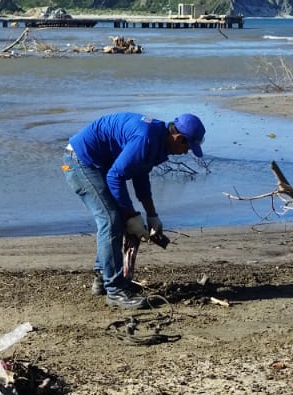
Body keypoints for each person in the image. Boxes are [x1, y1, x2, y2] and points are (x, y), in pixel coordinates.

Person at [62, 112, 207, 310]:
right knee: (111, 219)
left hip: (98, 164)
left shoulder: (158, 142)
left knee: (116, 217)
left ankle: (103, 278)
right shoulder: (146, 138)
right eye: (187, 147)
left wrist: (151, 214)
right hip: (78, 162)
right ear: (178, 138)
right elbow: (115, 177)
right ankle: (115, 291)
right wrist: (131, 216)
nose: (186, 152)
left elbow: (140, 175)